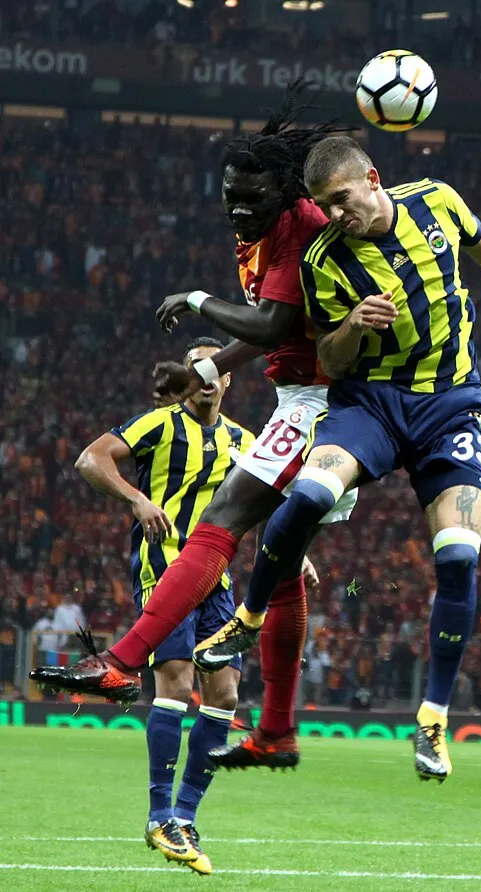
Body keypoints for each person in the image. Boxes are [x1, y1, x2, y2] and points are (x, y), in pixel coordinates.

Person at [196, 135, 481, 783]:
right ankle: (247, 618)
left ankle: (433, 719)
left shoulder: (437, 202)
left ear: (372, 179)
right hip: (372, 406)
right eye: (324, 206)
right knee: (308, 495)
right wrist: (353, 326)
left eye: (342, 200)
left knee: (458, 557)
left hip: (451, 408)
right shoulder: (324, 260)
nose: (336, 216)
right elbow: (329, 361)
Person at [29, 88, 355, 771]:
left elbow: (273, 323)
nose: (238, 208)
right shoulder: (262, 229)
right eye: (230, 195)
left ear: (284, 190)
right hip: (310, 395)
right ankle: (277, 732)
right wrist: (209, 369)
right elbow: (275, 330)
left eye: (251, 196)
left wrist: (198, 300)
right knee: (279, 560)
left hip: (325, 400)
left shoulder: (296, 226)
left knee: (223, 519)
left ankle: (122, 661)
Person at [35, 337, 254, 873]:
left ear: (228, 378)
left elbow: (265, 501)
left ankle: (185, 815)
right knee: (176, 684)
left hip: (218, 581)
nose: (206, 377)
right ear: (185, 379)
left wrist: (296, 556)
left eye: (215, 368)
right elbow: (90, 459)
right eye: (196, 368)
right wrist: (136, 499)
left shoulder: (243, 440)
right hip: (165, 570)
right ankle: (160, 815)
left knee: (225, 694)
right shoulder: (158, 424)